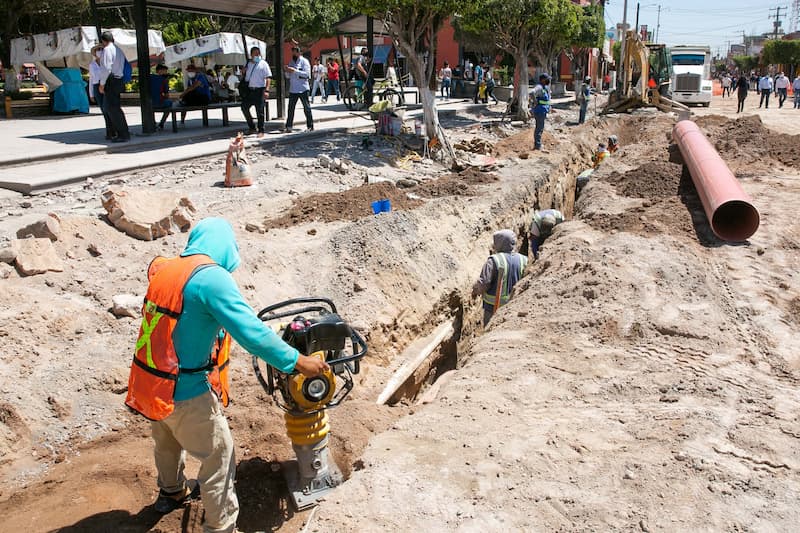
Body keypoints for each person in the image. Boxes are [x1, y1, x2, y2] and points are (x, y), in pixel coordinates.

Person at [125, 217, 329, 533]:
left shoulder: (169, 270)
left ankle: (171, 492)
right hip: (186, 389)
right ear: (224, 246)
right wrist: (299, 362)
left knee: (166, 442)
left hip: (151, 380)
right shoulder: (211, 279)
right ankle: (221, 527)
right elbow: (252, 335)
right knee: (219, 457)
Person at [471, 230, 528, 327]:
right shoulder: (524, 260)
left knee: (489, 334)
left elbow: (483, 283)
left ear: (499, 243)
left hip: (493, 308)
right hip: (515, 306)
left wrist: (475, 290)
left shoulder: (494, 260)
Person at [97, 31, 130, 142]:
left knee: (112, 108)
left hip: (111, 80)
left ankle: (122, 133)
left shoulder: (107, 50)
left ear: (103, 41)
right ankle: (121, 132)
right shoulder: (118, 50)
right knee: (113, 107)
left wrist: (102, 84)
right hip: (118, 79)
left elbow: (106, 68)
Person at [240, 46, 272, 137]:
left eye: (258, 53)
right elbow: (244, 76)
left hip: (260, 90)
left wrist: (267, 90)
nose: (257, 55)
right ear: (251, 55)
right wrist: (243, 71)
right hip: (250, 90)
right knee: (244, 107)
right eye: (255, 54)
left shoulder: (263, 64)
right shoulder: (248, 64)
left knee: (260, 111)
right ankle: (252, 127)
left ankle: (261, 130)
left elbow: (268, 77)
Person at [283, 46, 313, 133]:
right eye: (292, 52)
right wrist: (287, 71)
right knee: (290, 108)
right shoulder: (291, 62)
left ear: (299, 53)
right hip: (293, 89)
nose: (293, 54)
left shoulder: (304, 62)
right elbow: (288, 76)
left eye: (295, 52)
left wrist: (295, 71)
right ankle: (289, 126)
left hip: (303, 88)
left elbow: (307, 74)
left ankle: (310, 126)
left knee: (306, 108)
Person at [88, 45, 115, 140]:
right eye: (97, 50)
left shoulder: (108, 62)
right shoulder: (92, 65)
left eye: (101, 49)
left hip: (106, 85)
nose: (99, 51)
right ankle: (109, 131)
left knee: (108, 108)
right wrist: (91, 94)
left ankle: (113, 130)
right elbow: (91, 79)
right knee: (104, 110)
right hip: (96, 86)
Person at [529, 73, 552, 151]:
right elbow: (531, 93)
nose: (548, 80)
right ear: (542, 80)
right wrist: (535, 102)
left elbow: (547, 100)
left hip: (543, 110)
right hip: (539, 111)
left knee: (540, 128)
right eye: (547, 79)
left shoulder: (544, 87)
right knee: (539, 128)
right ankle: (537, 146)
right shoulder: (539, 87)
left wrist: (549, 107)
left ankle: (538, 144)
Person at [150, 64, 173, 130]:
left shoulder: (150, 77)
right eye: (165, 71)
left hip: (149, 103)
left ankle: (153, 123)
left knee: (151, 106)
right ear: (160, 71)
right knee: (169, 103)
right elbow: (166, 94)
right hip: (159, 103)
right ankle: (161, 123)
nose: (166, 72)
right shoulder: (164, 80)